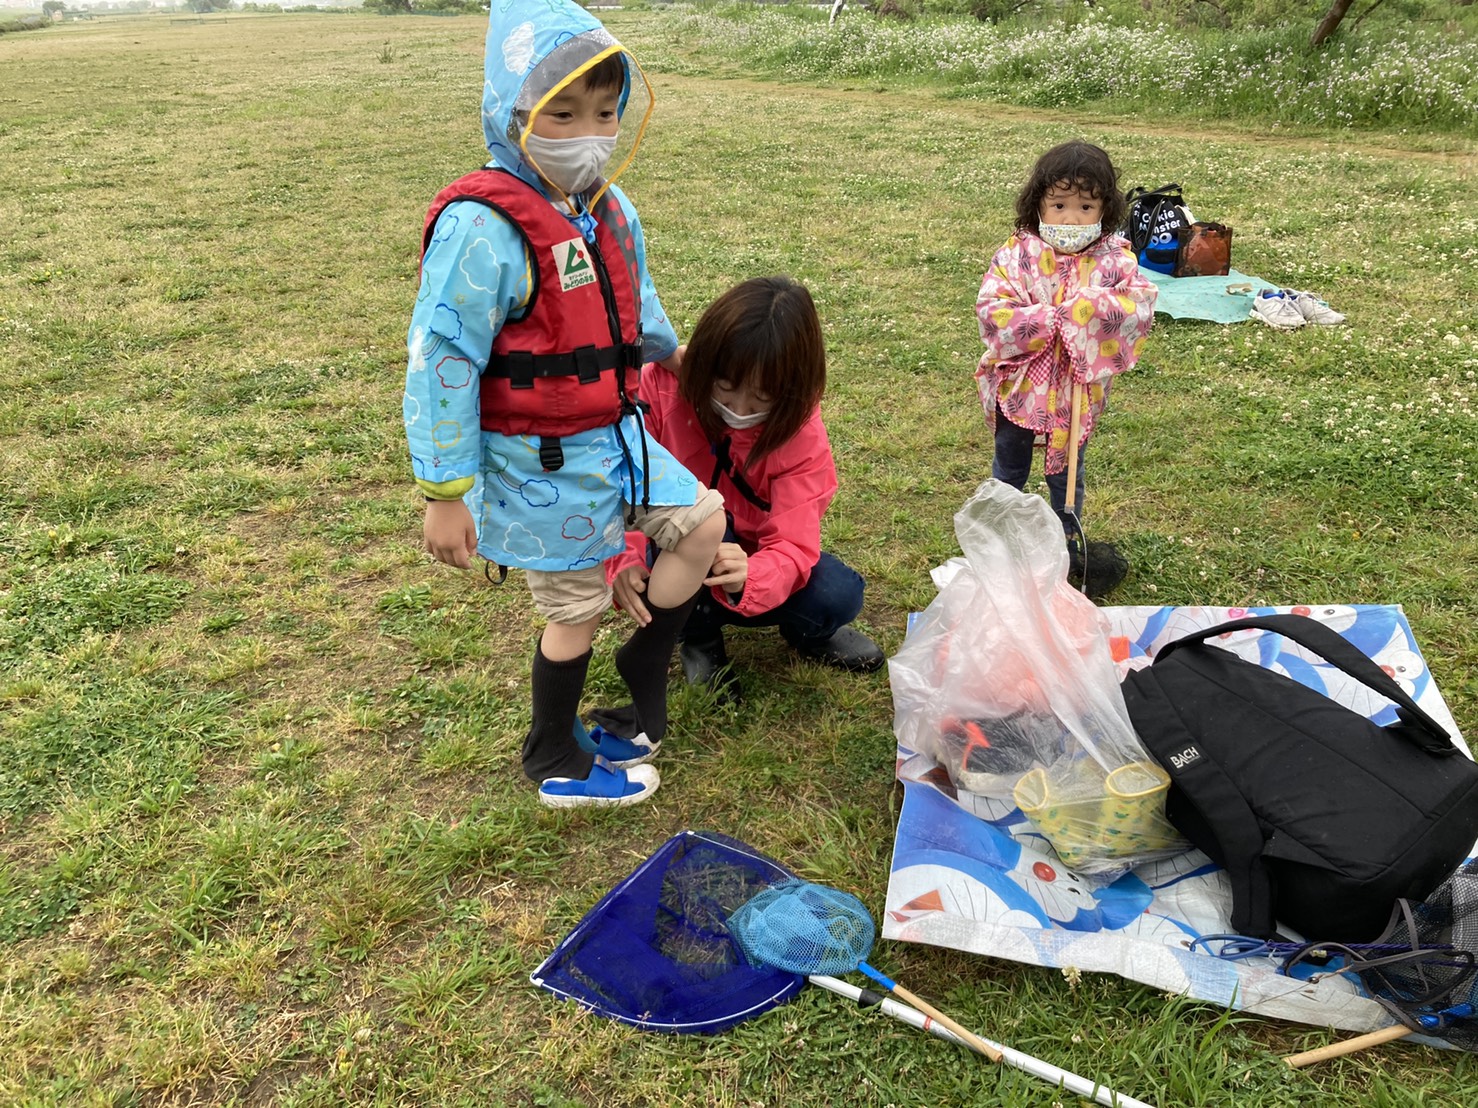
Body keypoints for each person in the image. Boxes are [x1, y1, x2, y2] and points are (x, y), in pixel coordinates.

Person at [404, 1, 725, 808]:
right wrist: (444, 494)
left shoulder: (612, 210)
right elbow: (440, 362)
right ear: (514, 114)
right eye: (563, 112)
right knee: (576, 604)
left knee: (703, 522)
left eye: (607, 112)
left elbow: (638, 308)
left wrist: (680, 358)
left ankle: (643, 665)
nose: (589, 131)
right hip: (538, 458)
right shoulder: (481, 230)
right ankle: (552, 753)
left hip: (619, 436)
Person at [605, 276, 884, 705]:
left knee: (837, 595)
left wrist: (752, 576)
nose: (737, 411)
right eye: (725, 388)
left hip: (749, 555)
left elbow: (794, 541)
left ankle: (806, 633)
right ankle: (698, 639)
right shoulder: (657, 388)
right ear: (702, 363)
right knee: (690, 533)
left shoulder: (800, 432)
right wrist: (622, 559)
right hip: (674, 546)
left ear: (791, 392)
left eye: (760, 401)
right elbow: (616, 486)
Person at [974, 140, 1157, 597]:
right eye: (1059, 205)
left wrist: (1089, 308)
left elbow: (1137, 306)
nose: (1071, 219)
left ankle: (1067, 540)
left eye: (1085, 206)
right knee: (1011, 460)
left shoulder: (1115, 260)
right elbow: (993, 310)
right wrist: (1048, 318)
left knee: (1068, 467)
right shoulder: (1015, 256)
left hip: (1076, 392)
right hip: (1021, 388)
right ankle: (1004, 536)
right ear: (1038, 203)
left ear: (1105, 209)